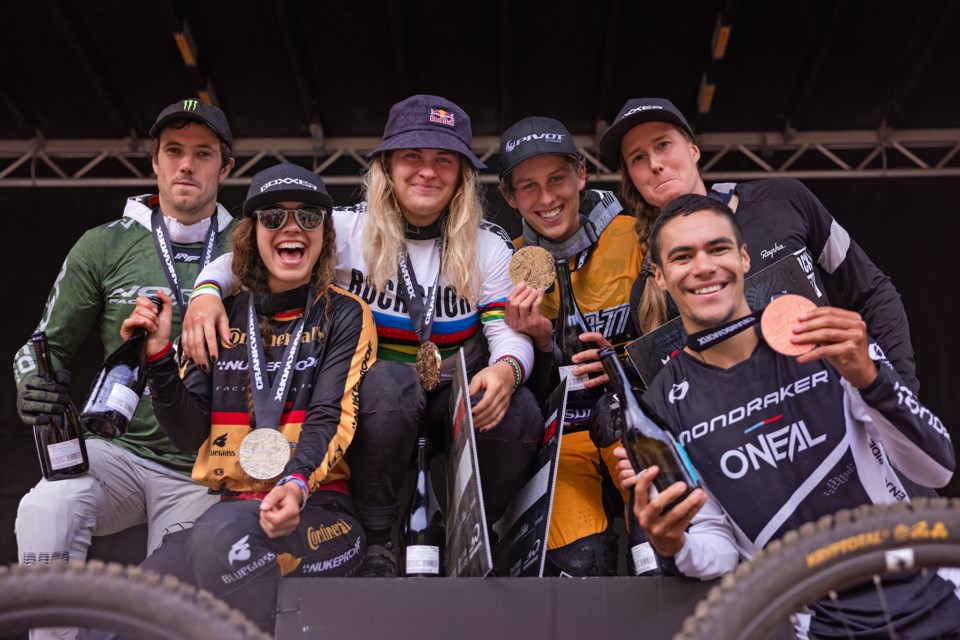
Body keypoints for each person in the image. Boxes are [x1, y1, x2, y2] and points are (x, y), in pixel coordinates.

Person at [180, 95, 543, 576]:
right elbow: (255, 250)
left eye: (443, 160)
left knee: (519, 411)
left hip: (453, 400)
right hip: (371, 408)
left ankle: (480, 534)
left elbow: (507, 332)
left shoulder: (488, 243)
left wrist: (506, 368)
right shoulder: (349, 228)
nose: (427, 172)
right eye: (412, 156)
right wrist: (206, 292)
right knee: (390, 383)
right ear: (388, 167)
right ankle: (377, 539)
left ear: (462, 174)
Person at [614, 193, 960, 638]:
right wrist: (674, 542)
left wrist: (873, 379)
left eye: (717, 248)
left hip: (934, 596)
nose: (703, 267)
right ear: (659, 278)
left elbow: (936, 467)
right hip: (822, 626)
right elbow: (719, 545)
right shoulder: (660, 405)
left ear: (743, 257)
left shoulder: (817, 334)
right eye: (683, 256)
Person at [115, 162, 377, 633]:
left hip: (321, 512)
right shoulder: (221, 314)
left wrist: (295, 482)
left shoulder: (344, 313)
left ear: (325, 235)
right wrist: (157, 358)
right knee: (128, 607)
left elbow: (327, 419)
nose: (291, 228)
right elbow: (188, 434)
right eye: (273, 217)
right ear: (251, 232)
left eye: (309, 218)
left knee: (219, 539)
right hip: (230, 508)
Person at [13, 100, 236, 640]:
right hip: (120, 453)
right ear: (155, 164)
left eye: (202, 154)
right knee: (47, 505)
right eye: (174, 152)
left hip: (205, 468)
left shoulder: (249, 246)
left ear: (225, 168)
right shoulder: (106, 242)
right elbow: (43, 345)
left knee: (168, 609)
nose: (187, 166)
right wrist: (30, 382)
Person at [597, 97, 920, 393]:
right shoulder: (653, 283)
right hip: (754, 444)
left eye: (663, 144)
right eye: (638, 158)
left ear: (693, 149)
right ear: (632, 179)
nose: (655, 163)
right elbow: (677, 393)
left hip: (839, 412)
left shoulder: (784, 199)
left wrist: (898, 391)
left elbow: (873, 292)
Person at [499, 116, 641, 575]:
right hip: (563, 437)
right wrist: (540, 341)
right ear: (509, 196)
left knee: (659, 556)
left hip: (640, 420)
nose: (546, 198)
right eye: (529, 186)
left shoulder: (638, 235)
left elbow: (679, 341)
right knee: (579, 567)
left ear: (581, 175)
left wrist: (622, 368)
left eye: (557, 179)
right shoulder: (508, 263)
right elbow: (526, 391)